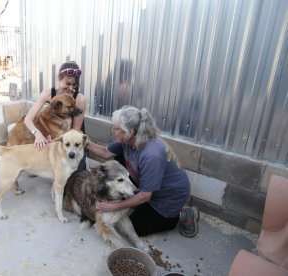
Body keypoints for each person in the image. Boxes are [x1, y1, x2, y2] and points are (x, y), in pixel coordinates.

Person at [86, 105, 199, 237]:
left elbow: (145, 196)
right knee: (118, 159)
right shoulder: (128, 140)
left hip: (167, 200)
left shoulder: (151, 155)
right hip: (151, 187)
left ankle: (182, 214)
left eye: (117, 129)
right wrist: (85, 142)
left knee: (130, 230)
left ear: (131, 132)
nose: (113, 131)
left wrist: (111, 207)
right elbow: (105, 152)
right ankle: (135, 202)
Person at [24, 61, 87, 171]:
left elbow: (75, 131)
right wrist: (37, 134)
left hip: (72, 143)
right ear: (59, 78)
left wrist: (56, 142)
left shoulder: (79, 98)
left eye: (74, 84)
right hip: (53, 140)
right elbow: (28, 119)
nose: (71, 88)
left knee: (73, 182)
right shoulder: (48, 94)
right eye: (67, 84)